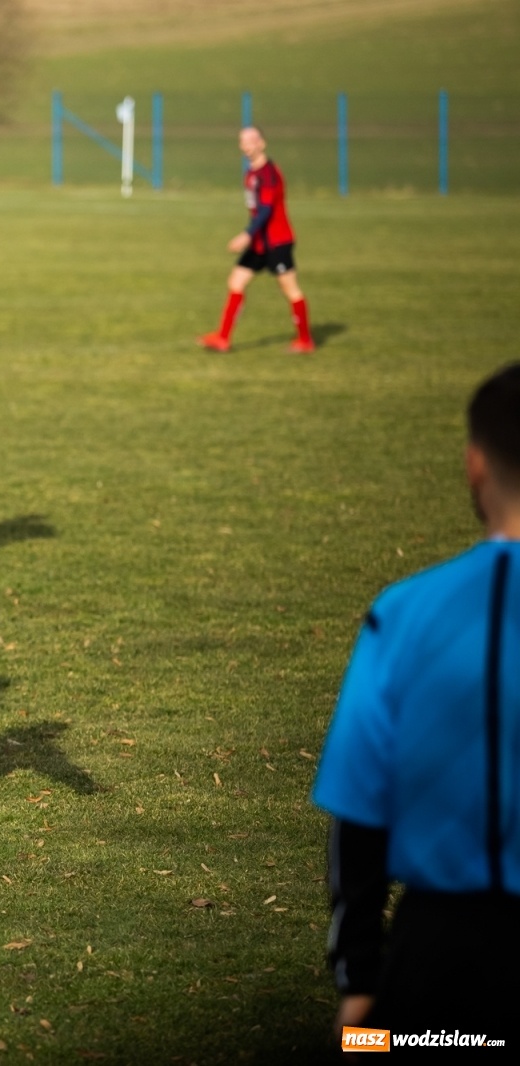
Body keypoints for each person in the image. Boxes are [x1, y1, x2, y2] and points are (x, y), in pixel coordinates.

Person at [312, 363, 520, 1041]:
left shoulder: (402, 614)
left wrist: (359, 992)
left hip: (442, 961)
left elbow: (358, 814)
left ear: (474, 466)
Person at [198, 126, 314, 354]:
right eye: (243, 141)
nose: (247, 145)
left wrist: (246, 234)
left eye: (252, 140)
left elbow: (266, 210)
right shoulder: (250, 173)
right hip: (259, 243)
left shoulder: (268, 174)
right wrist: (252, 237)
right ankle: (223, 338)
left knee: (290, 289)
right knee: (236, 281)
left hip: (277, 242)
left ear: (262, 143)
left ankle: (305, 340)